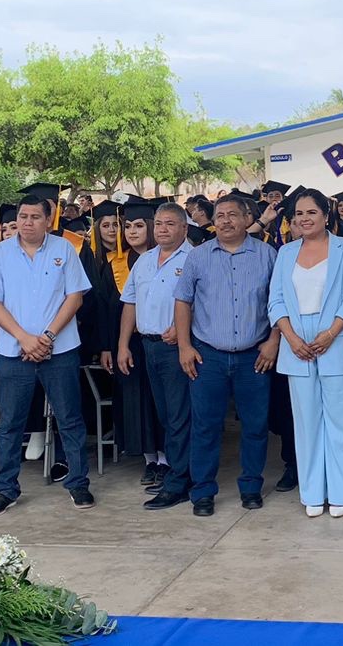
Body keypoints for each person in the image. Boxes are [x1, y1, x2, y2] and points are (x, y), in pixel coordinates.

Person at [0, 194, 95, 516]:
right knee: (10, 424)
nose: (27, 222)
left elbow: (75, 298)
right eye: (23, 216)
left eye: (35, 217)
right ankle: (6, 489)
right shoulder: (0, 253)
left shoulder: (64, 250)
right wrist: (24, 338)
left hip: (59, 349)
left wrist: (47, 337)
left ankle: (78, 483)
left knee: (70, 418)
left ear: (48, 220)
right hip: (13, 351)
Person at [174, 192, 279, 516]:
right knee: (205, 426)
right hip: (208, 356)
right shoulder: (198, 256)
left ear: (248, 219)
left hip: (254, 356)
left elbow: (280, 302)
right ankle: (203, 491)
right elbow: (183, 301)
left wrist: (274, 341)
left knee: (255, 425)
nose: (226, 221)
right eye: (220, 215)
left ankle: (251, 487)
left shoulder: (267, 255)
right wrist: (184, 346)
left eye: (233, 214)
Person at [266, 189, 343, 517]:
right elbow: (275, 300)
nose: (304, 218)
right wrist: (290, 337)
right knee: (306, 423)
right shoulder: (285, 253)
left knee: (341, 421)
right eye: (299, 213)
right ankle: (312, 492)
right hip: (297, 344)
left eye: (311, 212)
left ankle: (341, 493)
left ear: (326, 215)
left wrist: (331, 333)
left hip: (337, 339)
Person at [119, 203, 193, 510]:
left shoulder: (193, 259)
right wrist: (123, 344)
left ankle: (180, 481)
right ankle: (177, 472)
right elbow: (130, 303)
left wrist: (181, 330)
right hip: (147, 346)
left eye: (170, 224)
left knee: (179, 416)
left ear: (184, 228)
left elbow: (202, 302)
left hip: (176, 347)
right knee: (164, 415)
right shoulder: (145, 260)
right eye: (159, 223)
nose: (163, 229)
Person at [101, 198, 166, 489]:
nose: (131, 231)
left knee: (160, 401)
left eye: (139, 226)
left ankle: (166, 459)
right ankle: (150, 459)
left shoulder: (165, 258)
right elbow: (105, 308)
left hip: (160, 341)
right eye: (127, 226)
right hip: (127, 344)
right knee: (135, 402)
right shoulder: (113, 265)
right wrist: (109, 346)